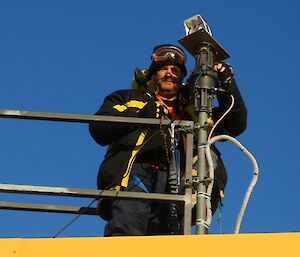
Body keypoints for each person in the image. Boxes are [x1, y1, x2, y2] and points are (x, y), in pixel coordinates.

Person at [89, 44, 247, 236]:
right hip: (135, 174)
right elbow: (99, 128)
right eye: (164, 68)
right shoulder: (128, 98)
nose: (169, 73)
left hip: (181, 183)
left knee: (170, 241)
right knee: (128, 224)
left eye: (175, 70)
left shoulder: (195, 112)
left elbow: (235, 123)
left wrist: (227, 83)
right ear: (153, 73)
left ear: (182, 77)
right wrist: (142, 115)